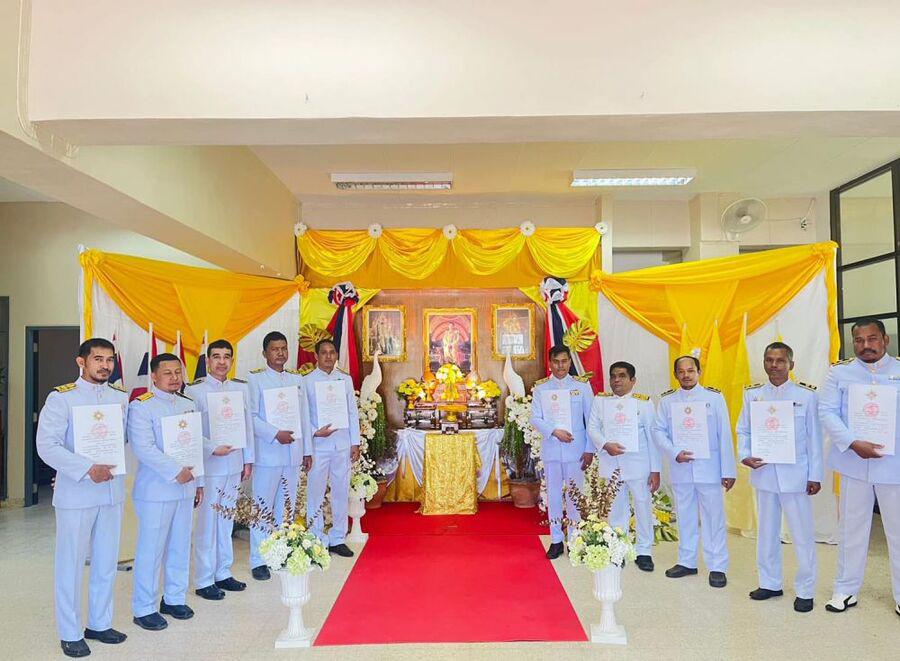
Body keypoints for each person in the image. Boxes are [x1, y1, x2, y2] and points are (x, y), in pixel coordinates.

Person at [36, 338, 129, 658]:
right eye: (98, 359)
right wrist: (87, 469)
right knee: (71, 564)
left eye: (109, 360)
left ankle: (100, 623)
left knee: (106, 562)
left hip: (111, 491)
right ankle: (70, 632)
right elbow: (47, 446)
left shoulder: (120, 397)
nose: (105, 365)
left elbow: (122, 440)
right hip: (77, 494)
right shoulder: (62, 398)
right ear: (81, 362)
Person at [819, 318, 900, 616]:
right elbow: (826, 411)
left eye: (872, 339)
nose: (866, 345)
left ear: (885, 340)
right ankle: (845, 589)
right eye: (859, 340)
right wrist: (852, 442)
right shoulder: (839, 372)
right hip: (853, 463)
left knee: (898, 532)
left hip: (894, 466)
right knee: (851, 529)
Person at [736, 342, 823, 613]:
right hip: (764, 473)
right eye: (769, 360)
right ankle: (770, 583)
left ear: (791, 365)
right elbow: (743, 430)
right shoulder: (753, 395)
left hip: (796, 476)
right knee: (766, 532)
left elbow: (815, 438)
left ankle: (806, 589)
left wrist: (815, 474)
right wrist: (745, 455)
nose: (774, 365)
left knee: (802, 534)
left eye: (780, 360)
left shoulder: (806, 396)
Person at [128, 353, 203, 631]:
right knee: (151, 550)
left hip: (185, 487)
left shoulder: (187, 403)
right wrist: (175, 471)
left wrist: (199, 482)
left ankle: (173, 598)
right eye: (167, 373)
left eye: (177, 372)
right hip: (156, 491)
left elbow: (194, 444)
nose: (174, 378)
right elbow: (143, 447)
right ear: (154, 377)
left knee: (180, 545)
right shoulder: (142, 407)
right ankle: (144, 608)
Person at [653, 355, 736, 588]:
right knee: (685, 516)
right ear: (675, 375)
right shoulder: (667, 401)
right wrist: (674, 452)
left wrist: (728, 470)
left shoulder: (714, 398)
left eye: (691, 370)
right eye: (681, 371)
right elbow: (658, 431)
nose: (686, 375)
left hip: (709, 469)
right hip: (681, 468)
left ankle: (717, 566)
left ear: (699, 372)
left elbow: (724, 434)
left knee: (713, 519)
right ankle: (686, 561)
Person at [186, 339, 254, 600]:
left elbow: (247, 425)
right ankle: (204, 579)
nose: (222, 362)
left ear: (232, 361)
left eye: (227, 357)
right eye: (216, 356)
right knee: (207, 523)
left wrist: (248, 459)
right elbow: (191, 431)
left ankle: (223, 572)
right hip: (210, 465)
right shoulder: (195, 391)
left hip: (234, 464)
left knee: (226, 521)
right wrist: (212, 448)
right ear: (207, 360)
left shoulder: (240, 389)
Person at [246, 331, 312, 580]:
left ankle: (281, 552)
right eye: (275, 349)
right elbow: (251, 417)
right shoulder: (256, 380)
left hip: (293, 454)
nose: (280, 353)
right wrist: (274, 434)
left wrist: (307, 451)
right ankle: (259, 559)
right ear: (265, 353)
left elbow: (304, 416)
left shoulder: (296, 379)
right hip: (268, 453)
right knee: (262, 507)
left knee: (286, 507)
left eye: (284, 348)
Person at [587, 361, 660, 572]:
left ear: (632, 380)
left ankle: (644, 551)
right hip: (612, 464)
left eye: (622, 376)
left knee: (643, 507)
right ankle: (619, 548)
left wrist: (655, 470)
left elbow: (653, 438)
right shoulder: (600, 401)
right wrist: (604, 444)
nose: (616, 380)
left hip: (639, 465)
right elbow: (592, 428)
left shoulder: (644, 404)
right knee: (617, 510)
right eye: (613, 376)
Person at [530, 345, 595, 559]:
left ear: (569, 362)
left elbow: (591, 420)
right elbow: (535, 418)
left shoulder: (581, 386)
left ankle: (575, 539)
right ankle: (556, 540)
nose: (560, 366)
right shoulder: (541, 388)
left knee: (575, 495)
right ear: (550, 363)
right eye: (556, 362)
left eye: (564, 361)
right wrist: (554, 431)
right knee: (554, 496)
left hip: (576, 450)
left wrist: (589, 449)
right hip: (552, 449)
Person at [303, 339, 361, 557]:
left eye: (332, 352)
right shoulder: (307, 381)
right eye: (324, 353)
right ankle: (316, 539)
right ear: (316, 356)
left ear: (336, 355)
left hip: (341, 444)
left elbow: (352, 412)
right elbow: (303, 415)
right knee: (315, 493)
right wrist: (314, 432)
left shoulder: (345, 379)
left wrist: (355, 442)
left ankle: (338, 538)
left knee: (340, 491)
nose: (328, 356)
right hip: (318, 445)